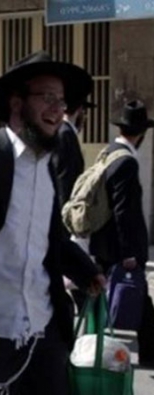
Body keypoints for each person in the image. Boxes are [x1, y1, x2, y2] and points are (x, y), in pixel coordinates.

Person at [0, 51, 105, 395]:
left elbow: (48, 236)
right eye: (47, 97)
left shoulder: (48, 166)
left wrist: (86, 270)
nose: (58, 109)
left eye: (62, 101)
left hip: (40, 322)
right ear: (16, 102)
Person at [89, 99, 154, 367]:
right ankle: (147, 353)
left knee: (103, 296)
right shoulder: (126, 161)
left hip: (104, 243)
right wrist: (129, 253)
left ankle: (93, 346)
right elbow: (124, 211)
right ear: (142, 133)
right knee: (139, 300)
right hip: (119, 248)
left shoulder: (109, 152)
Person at [52, 99, 95, 208]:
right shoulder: (66, 134)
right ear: (80, 110)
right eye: (85, 112)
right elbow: (64, 179)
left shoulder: (62, 131)